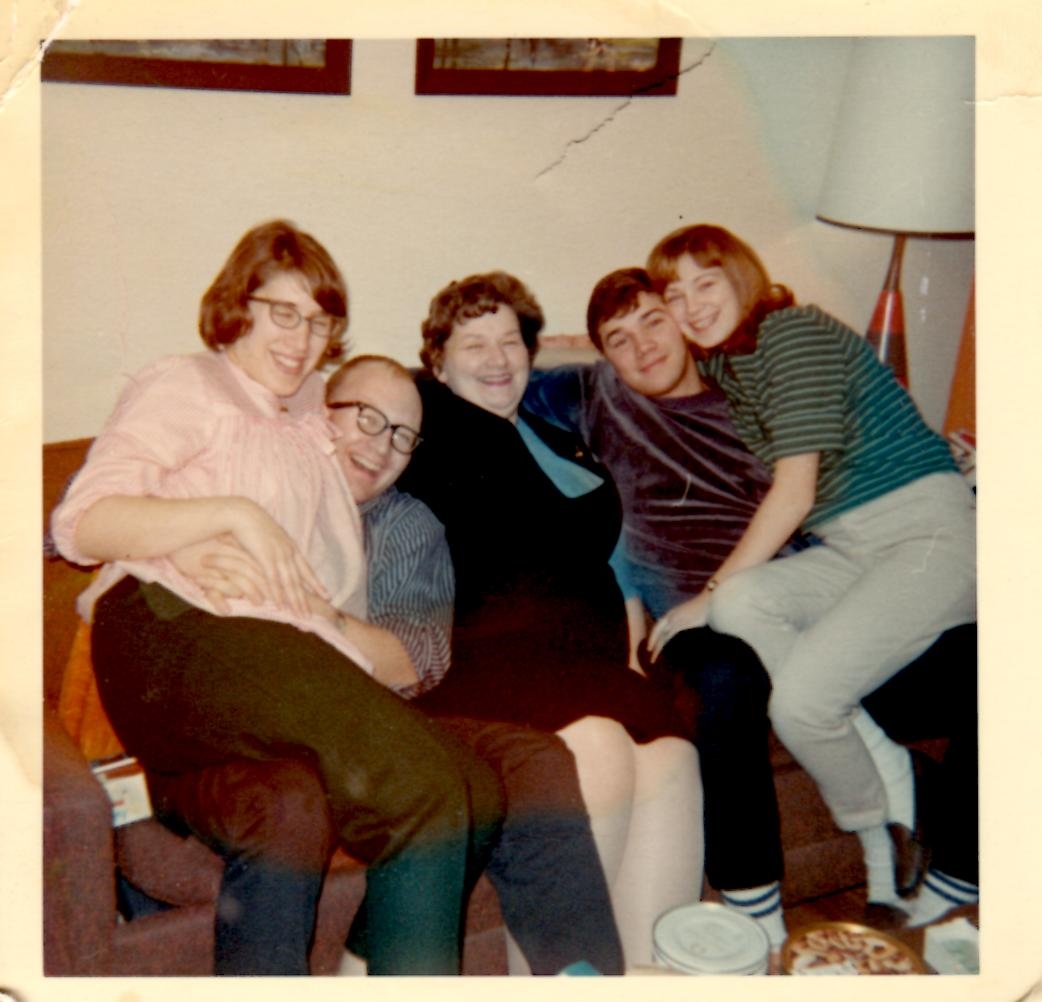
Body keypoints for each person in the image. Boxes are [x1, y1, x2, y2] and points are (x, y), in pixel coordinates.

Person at [49, 220, 505, 976]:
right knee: (421, 784)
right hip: (170, 630)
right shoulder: (188, 383)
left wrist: (547, 356)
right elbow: (78, 524)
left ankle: (365, 965)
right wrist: (228, 518)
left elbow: (414, 400)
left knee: (478, 789)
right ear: (239, 305)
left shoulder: (315, 413)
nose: (301, 338)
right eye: (281, 312)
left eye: (319, 320)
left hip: (270, 659)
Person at [524, 265, 979, 940]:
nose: (643, 346)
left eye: (654, 320)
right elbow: (496, 376)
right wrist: (574, 348)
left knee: (991, 660)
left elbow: (847, 451)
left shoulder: (750, 391)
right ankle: (752, 909)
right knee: (725, 678)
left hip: (800, 598)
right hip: (691, 620)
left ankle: (964, 868)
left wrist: (959, 464)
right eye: (619, 339)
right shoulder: (600, 396)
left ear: (684, 320)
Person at [171, 352, 625, 976]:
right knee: (333, 793)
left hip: (370, 731)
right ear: (317, 413)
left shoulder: (407, 525)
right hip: (250, 729)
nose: (381, 446)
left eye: (402, 436)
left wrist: (309, 610)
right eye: (365, 418)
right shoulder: (258, 475)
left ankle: (582, 977)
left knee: (531, 758)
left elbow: (417, 659)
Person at [644, 224, 976, 918]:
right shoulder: (731, 363)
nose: (692, 306)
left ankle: (888, 827)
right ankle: (900, 775)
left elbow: (793, 492)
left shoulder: (789, 334)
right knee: (745, 606)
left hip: (929, 534)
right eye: (675, 295)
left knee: (799, 701)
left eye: (707, 282)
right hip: (854, 547)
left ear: (744, 276)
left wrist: (703, 594)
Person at [396, 271, 704, 967]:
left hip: (586, 666)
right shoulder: (429, 424)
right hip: (488, 664)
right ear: (436, 361)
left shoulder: (550, 432)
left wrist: (563, 345)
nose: (498, 357)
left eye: (511, 341)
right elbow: (352, 397)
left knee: (673, 758)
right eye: (474, 343)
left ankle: (648, 974)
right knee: (594, 748)